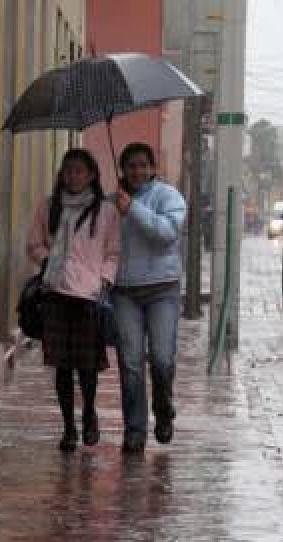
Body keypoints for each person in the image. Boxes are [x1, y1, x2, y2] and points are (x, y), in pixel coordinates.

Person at [27, 148, 121, 452]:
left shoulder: (105, 211)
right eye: (68, 170)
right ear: (61, 174)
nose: (74, 176)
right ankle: (68, 426)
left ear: (92, 175)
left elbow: (113, 251)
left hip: (88, 295)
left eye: (80, 171)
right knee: (62, 366)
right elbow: (33, 244)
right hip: (55, 292)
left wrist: (103, 280)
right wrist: (48, 260)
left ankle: (89, 412)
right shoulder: (48, 206)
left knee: (87, 366)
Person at [113, 143, 186, 453]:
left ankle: (164, 407)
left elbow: (167, 233)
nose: (137, 171)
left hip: (162, 289)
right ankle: (134, 430)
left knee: (161, 358)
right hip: (123, 291)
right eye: (131, 165)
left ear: (153, 168)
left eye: (143, 165)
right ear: (123, 169)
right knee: (130, 364)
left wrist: (133, 209)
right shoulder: (112, 202)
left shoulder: (169, 197)